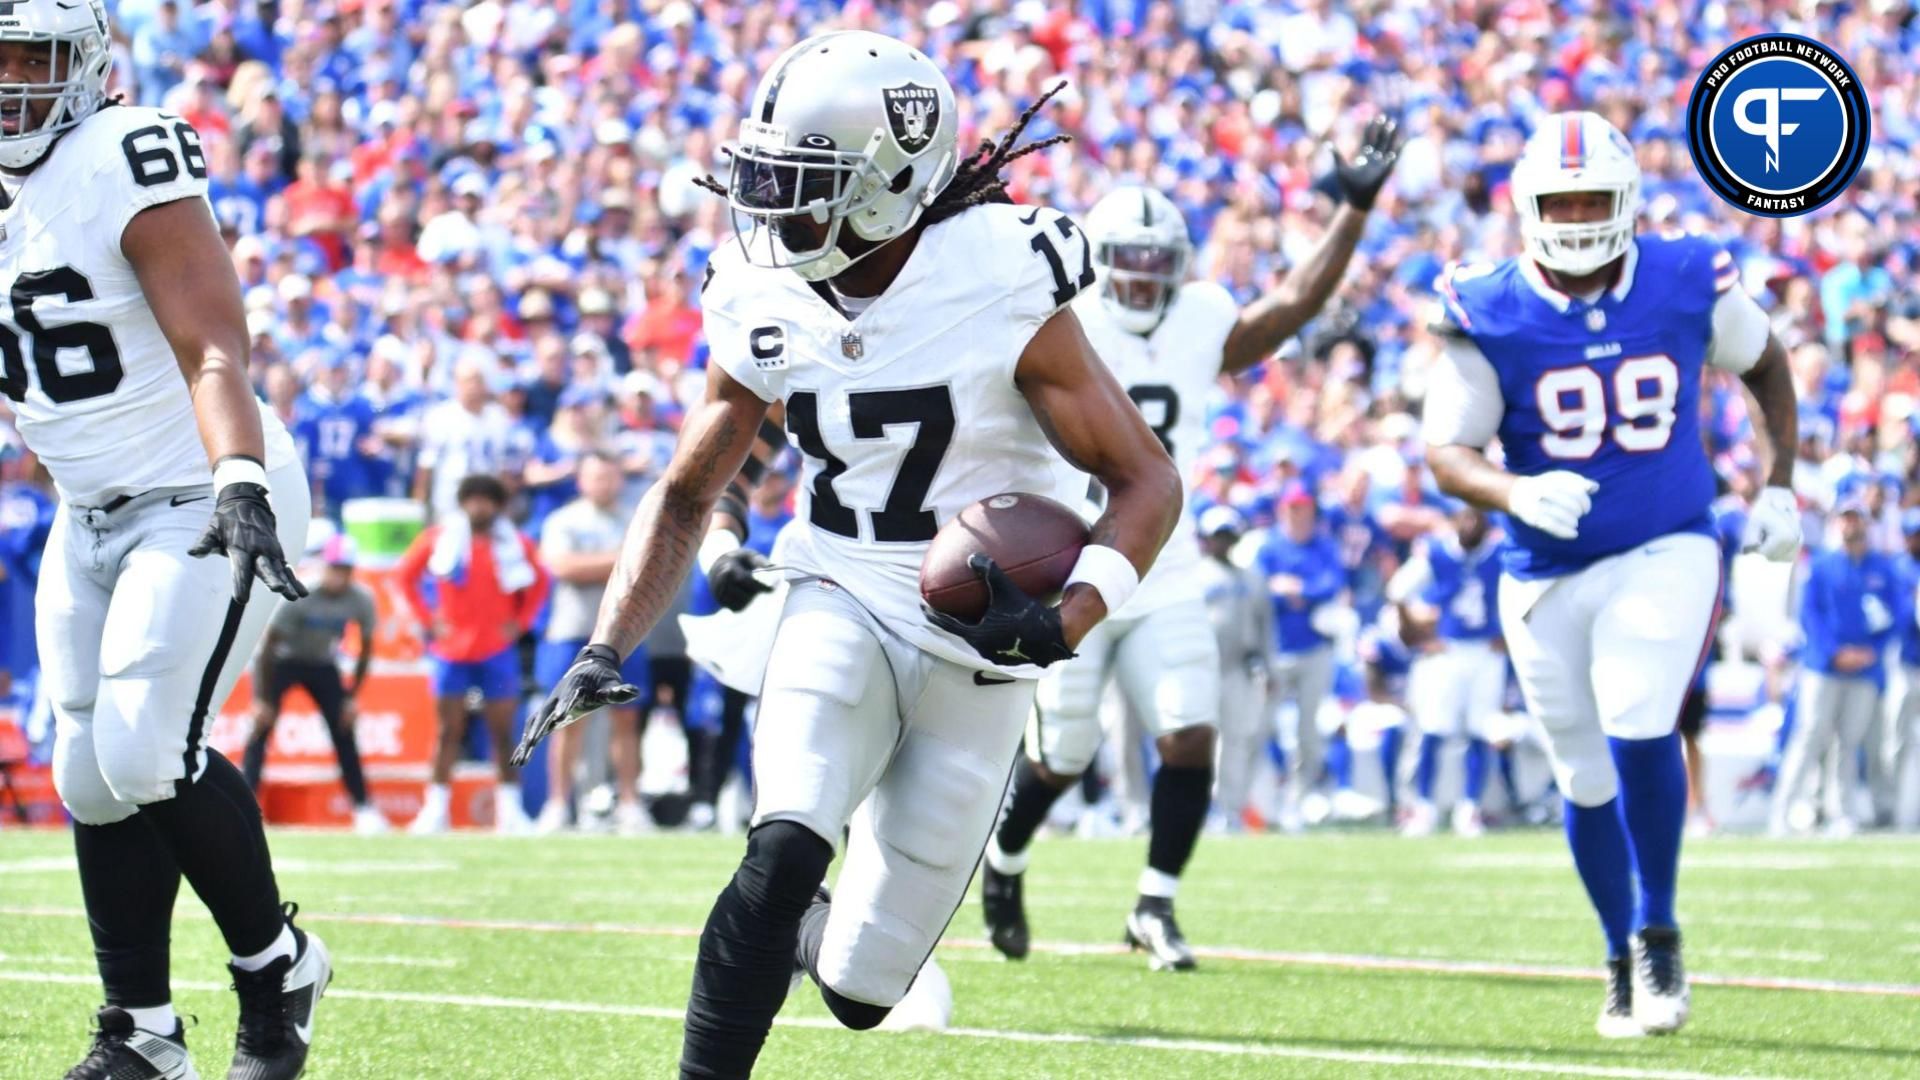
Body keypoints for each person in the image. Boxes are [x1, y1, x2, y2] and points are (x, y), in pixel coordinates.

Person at [510, 35, 1180, 1078]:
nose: (774, 208)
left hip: (981, 627)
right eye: (769, 176)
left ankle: (825, 941)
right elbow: (688, 490)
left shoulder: (999, 274)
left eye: (806, 184)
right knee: (783, 841)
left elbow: (1147, 480)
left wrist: (1068, 617)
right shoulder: (757, 287)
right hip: (839, 583)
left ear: (892, 183)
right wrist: (607, 644)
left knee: (864, 994)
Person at [979, 130, 1401, 970]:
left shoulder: (1202, 315)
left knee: (1189, 736)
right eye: (1126, 264)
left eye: (1156, 263)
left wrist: (1352, 210)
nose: (1141, 280)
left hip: (1163, 569)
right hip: (1068, 567)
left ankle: (1154, 905)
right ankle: (1007, 860)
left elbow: (1288, 308)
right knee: (1062, 757)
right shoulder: (1065, 318)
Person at [0, 6, 330, 1078]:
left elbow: (212, 342)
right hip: (87, 507)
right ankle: (140, 1033)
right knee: (89, 776)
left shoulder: (122, 151)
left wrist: (238, 476)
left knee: (146, 750)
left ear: (85, 63)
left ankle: (277, 969)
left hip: (202, 487)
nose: (8, 81)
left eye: (29, 59)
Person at [1424, 112, 1801, 1037]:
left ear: (1629, 199)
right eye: (1565, 200)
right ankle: (1619, 948)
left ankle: (1661, 930)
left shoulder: (1682, 277)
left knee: (1640, 713)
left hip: (1666, 540)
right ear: (1528, 206)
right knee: (1582, 774)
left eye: (1596, 196)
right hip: (1544, 567)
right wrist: (1511, 493)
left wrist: (1780, 485)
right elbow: (1446, 449)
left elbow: (1767, 365)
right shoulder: (1491, 302)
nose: (1582, 215)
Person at [395, 473, 550, 835]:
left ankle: (510, 810)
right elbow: (404, 577)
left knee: (503, 732)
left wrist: (520, 622)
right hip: (451, 649)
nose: (479, 507)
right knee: (448, 730)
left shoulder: (515, 544)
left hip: (496, 649)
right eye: (473, 500)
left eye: (487, 500)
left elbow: (541, 583)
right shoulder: (441, 539)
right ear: (463, 502)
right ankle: (435, 809)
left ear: (498, 505)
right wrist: (428, 621)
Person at [534, 451, 652, 834]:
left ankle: (630, 803)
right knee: (565, 720)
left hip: (623, 633)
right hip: (572, 629)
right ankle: (558, 804)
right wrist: (621, 560)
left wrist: (607, 564)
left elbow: (649, 567)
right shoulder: (563, 520)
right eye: (595, 476)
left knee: (627, 719)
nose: (603, 484)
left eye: (609, 476)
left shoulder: (635, 519)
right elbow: (563, 567)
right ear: (581, 480)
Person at [1770, 497, 1897, 837]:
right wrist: (1835, 652)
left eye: (1856, 518)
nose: (1850, 524)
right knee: (1810, 734)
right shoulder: (1822, 564)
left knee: (1848, 741)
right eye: (1846, 518)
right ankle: (1783, 809)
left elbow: (1895, 616)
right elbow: (1809, 614)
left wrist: (1870, 652)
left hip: (1865, 670)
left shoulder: (1881, 568)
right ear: (1837, 523)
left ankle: (1842, 812)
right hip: (1823, 667)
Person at [243, 534, 385, 835]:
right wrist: (261, 699)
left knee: (344, 729)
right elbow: (267, 649)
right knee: (261, 728)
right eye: (335, 568)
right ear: (324, 567)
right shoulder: (299, 592)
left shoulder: (361, 598)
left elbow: (366, 649)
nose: (339, 576)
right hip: (282, 662)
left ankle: (363, 807)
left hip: (322, 663)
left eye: (345, 569)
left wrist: (350, 696)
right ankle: (245, 806)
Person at [1389, 502, 1506, 838]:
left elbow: (1528, 593)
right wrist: (1416, 632)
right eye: (1464, 517)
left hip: (1486, 651)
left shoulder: (1499, 552)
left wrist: (1510, 634)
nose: (1470, 523)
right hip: (1448, 651)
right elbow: (1397, 590)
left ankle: (1469, 809)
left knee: (1481, 731)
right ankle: (1424, 807)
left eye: (1476, 516)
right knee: (1434, 728)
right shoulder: (1437, 552)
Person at [1254, 482, 1350, 832]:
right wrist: (1289, 592)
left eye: (1304, 508)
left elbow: (1331, 584)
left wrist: (1297, 589)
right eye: (1293, 508)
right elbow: (1260, 591)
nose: (1299, 514)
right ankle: (1266, 797)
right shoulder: (1270, 546)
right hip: (1276, 650)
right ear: (1283, 510)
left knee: (1309, 728)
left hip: (1314, 648)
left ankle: (1300, 798)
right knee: (1262, 727)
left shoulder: (1323, 545)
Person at [1190, 507, 1272, 834]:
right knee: (1196, 741)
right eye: (1217, 536)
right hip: (1202, 667)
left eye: (1228, 536)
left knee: (1236, 741)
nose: (1223, 542)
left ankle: (1229, 809)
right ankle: (1197, 809)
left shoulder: (1251, 577)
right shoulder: (1195, 575)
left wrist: (1268, 665)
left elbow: (1266, 627)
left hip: (1239, 667)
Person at [1886, 509, 1920, 832]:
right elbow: (1898, 616)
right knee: (1896, 738)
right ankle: (1895, 808)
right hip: (1905, 662)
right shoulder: (1897, 568)